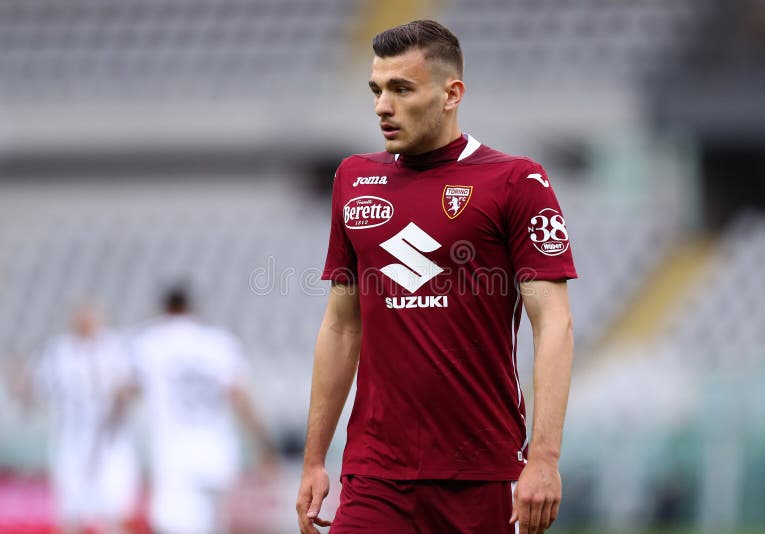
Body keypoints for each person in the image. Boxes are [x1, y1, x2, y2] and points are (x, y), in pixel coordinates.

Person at [296, 19, 577, 534]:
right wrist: (315, 459)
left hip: (480, 472)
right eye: (377, 90)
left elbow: (553, 323)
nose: (383, 105)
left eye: (402, 89)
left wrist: (544, 457)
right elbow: (341, 325)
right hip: (375, 474)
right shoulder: (354, 179)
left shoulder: (516, 181)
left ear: (452, 94)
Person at [109, 287, 274, 534]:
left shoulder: (148, 342)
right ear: (192, 307)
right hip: (218, 452)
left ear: (163, 309)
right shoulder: (218, 342)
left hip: (175, 456)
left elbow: (123, 391)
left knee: (176, 526)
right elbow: (240, 397)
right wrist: (263, 446)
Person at [25, 302, 139, 534]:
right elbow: (33, 391)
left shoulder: (115, 348)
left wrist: (121, 399)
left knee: (114, 513)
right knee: (71, 513)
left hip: (110, 443)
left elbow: (131, 388)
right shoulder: (58, 352)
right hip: (72, 442)